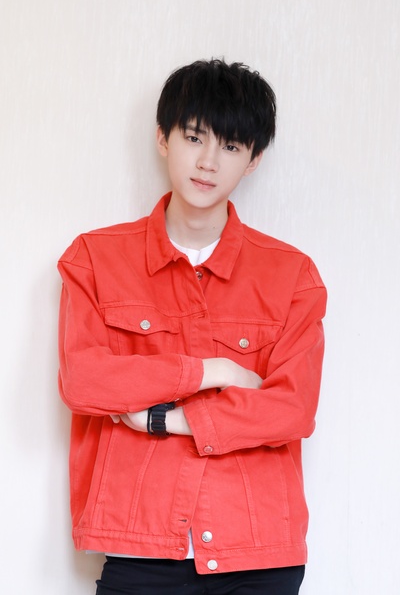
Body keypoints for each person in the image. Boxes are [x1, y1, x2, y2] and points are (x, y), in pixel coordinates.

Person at [57, 59, 327, 595]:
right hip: (139, 549)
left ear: (253, 160)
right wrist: (213, 370)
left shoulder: (291, 275)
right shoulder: (94, 259)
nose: (208, 162)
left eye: (230, 146)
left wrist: (166, 420)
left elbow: (292, 408)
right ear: (163, 138)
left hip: (257, 549)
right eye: (194, 137)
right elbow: (84, 382)